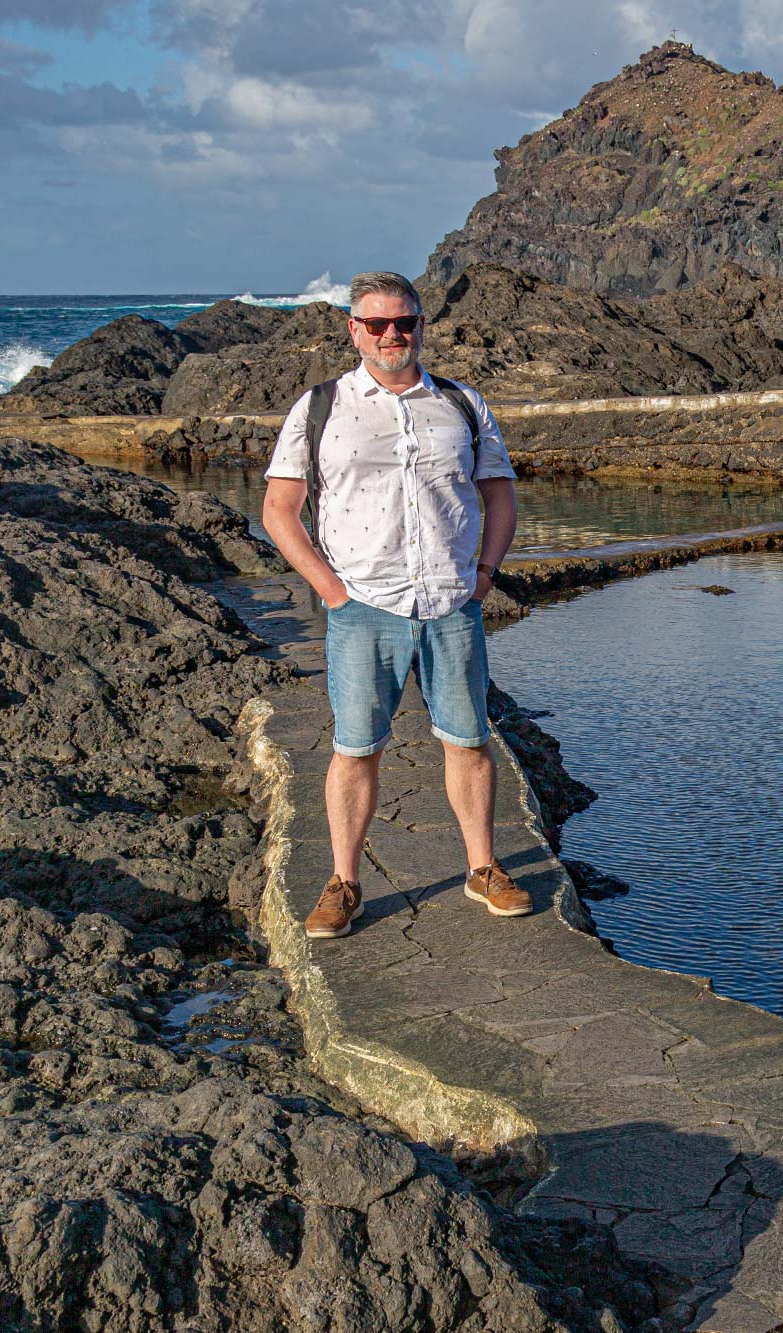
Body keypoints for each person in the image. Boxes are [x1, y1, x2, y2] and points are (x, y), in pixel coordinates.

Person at [260, 270, 528, 938]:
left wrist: (486, 573)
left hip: (449, 602)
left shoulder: (463, 405)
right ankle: (343, 882)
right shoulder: (320, 407)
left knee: (468, 741)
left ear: (420, 326)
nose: (390, 335)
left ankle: (483, 869)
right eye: (375, 324)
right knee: (356, 748)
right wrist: (330, 588)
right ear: (354, 329)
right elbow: (279, 510)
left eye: (403, 322)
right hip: (364, 605)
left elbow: (499, 494)